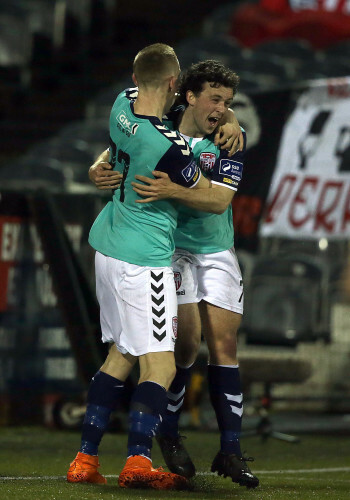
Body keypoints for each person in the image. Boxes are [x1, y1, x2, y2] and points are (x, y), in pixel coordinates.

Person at [88, 60, 259, 489]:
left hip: (216, 249)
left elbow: (218, 202)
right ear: (187, 95)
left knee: (224, 343)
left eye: (228, 103)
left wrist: (173, 190)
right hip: (173, 250)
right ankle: (168, 434)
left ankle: (232, 450)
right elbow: (120, 148)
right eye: (215, 100)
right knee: (183, 344)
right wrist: (97, 166)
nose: (222, 110)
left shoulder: (229, 138)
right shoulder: (163, 128)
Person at [67, 43, 213, 491]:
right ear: (174, 83)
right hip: (141, 259)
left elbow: (114, 149)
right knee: (161, 366)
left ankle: (85, 459)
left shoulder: (120, 105)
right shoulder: (168, 147)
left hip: (107, 246)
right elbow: (210, 198)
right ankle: (138, 461)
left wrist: (98, 165)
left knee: (122, 354)